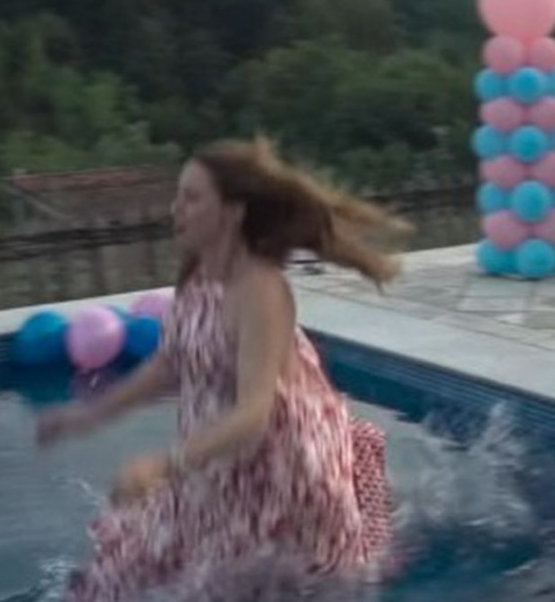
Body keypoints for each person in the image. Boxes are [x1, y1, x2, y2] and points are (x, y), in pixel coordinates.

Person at [36, 137, 408, 601]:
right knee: (115, 576)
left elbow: (255, 412)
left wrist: (164, 465)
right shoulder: (198, 275)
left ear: (232, 212)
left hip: (282, 473)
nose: (176, 209)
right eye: (178, 196)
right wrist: (91, 415)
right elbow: (170, 363)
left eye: (192, 198)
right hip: (220, 458)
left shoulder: (260, 290)